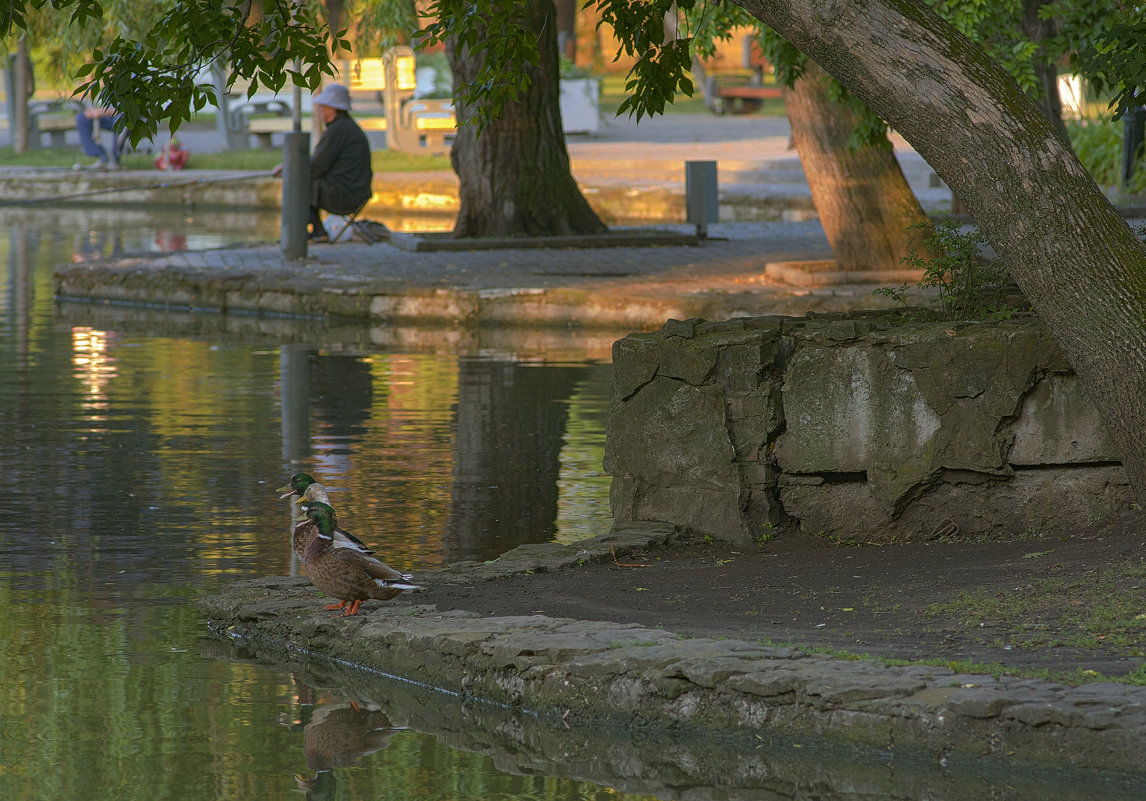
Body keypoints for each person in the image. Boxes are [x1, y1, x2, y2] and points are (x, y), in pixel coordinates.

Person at [272, 84, 373, 243]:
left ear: (333, 108)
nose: (319, 111)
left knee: (300, 181)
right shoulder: (344, 127)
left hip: (347, 193)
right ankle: (318, 232)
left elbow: (317, 166)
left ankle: (316, 233)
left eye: (322, 107)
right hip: (354, 189)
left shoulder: (339, 130)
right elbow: (319, 162)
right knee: (305, 179)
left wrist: (290, 168)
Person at [74, 106, 126, 170]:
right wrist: (93, 111)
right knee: (82, 118)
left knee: (121, 121)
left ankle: (115, 160)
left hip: (126, 116)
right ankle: (102, 158)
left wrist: (108, 111)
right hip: (109, 116)